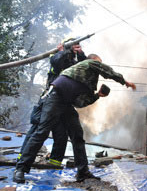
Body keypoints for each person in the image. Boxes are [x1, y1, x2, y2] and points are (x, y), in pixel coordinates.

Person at [13, 54, 136, 183]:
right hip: (55, 97)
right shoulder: (88, 63)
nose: (99, 66)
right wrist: (124, 82)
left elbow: (80, 103)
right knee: (42, 131)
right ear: (93, 60)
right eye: (99, 63)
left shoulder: (87, 80)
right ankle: (20, 169)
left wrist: (98, 95)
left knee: (77, 135)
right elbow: (107, 71)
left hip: (66, 104)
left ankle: (82, 172)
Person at [18, 39, 86, 169]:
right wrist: (62, 51)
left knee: (61, 135)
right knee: (38, 130)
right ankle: (22, 160)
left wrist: (81, 54)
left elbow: (83, 70)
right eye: (72, 47)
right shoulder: (57, 58)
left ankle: (55, 163)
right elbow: (56, 63)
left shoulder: (73, 64)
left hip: (65, 103)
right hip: (50, 100)